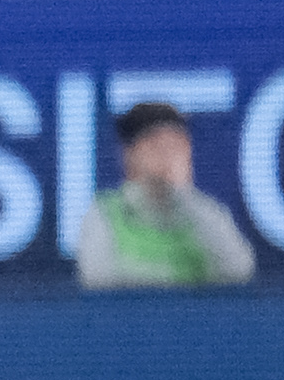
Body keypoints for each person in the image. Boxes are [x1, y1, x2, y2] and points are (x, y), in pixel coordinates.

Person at [75, 100, 256, 287]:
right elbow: (96, 278)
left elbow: (240, 271)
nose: (167, 155)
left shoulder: (208, 212)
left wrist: (185, 195)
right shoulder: (104, 212)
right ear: (129, 154)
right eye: (155, 145)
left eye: (176, 145)